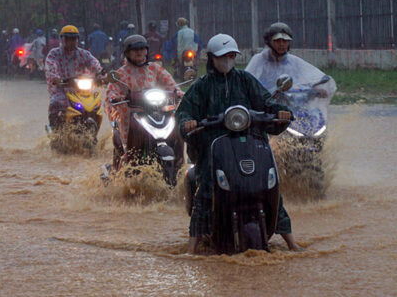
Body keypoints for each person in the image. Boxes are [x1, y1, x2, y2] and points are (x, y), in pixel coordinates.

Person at [175, 33, 301, 254]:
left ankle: (292, 243)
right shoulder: (201, 87)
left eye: (232, 56)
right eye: (223, 56)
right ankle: (191, 249)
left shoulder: (245, 80)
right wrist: (188, 123)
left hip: (249, 144)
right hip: (213, 147)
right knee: (205, 190)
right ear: (212, 58)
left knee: (271, 187)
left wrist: (281, 112)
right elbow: (184, 112)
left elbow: (267, 101)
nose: (227, 60)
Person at [106, 35, 182, 169]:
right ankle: (130, 161)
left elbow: (170, 83)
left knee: (177, 123)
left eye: (142, 49)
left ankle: (179, 161)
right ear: (127, 53)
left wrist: (178, 92)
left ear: (147, 51)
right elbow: (111, 90)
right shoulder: (121, 73)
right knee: (131, 135)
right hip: (133, 114)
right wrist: (117, 97)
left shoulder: (155, 68)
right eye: (135, 49)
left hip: (158, 111)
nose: (139, 52)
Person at [246, 22, 337, 99]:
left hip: (290, 106)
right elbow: (246, 81)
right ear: (269, 42)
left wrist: (316, 89)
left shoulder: (293, 62)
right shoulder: (259, 60)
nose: (281, 44)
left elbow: (307, 78)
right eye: (278, 41)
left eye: (285, 41)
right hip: (265, 105)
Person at [44, 25, 103, 129]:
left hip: (82, 91)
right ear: (62, 39)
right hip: (62, 89)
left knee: (95, 105)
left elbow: (95, 64)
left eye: (73, 39)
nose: (71, 41)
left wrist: (102, 76)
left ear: (77, 40)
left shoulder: (84, 54)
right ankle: (55, 130)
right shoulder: (54, 54)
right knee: (56, 102)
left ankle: (94, 128)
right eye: (67, 38)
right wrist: (56, 79)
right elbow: (51, 68)